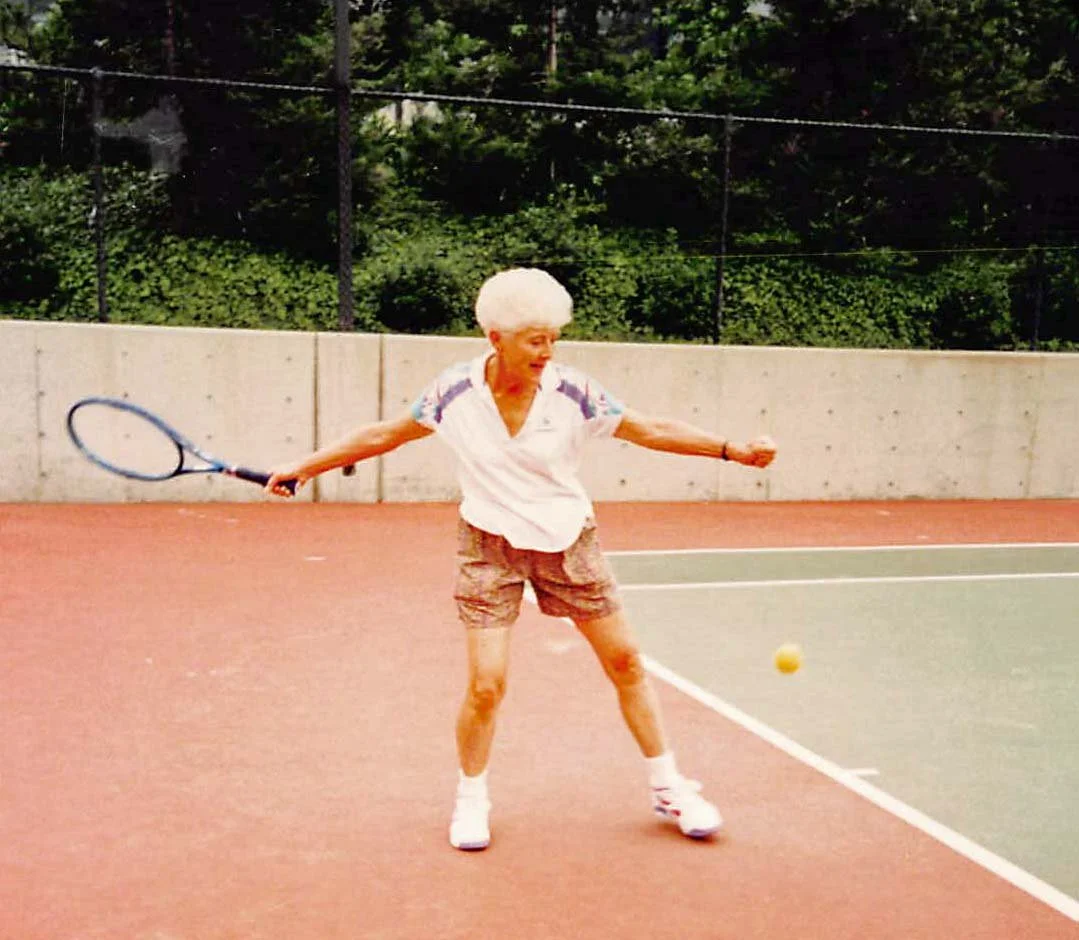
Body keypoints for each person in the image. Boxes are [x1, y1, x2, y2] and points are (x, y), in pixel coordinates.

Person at [265, 268, 777, 851]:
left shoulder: (575, 391)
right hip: (488, 546)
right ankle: (471, 800)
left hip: (567, 539)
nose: (547, 350)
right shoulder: (452, 393)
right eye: (535, 339)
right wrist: (306, 466)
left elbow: (651, 429)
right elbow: (386, 434)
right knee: (487, 685)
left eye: (554, 337)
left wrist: (730, 450)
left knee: (627, 663)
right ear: (495, 338)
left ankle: (669, 786)